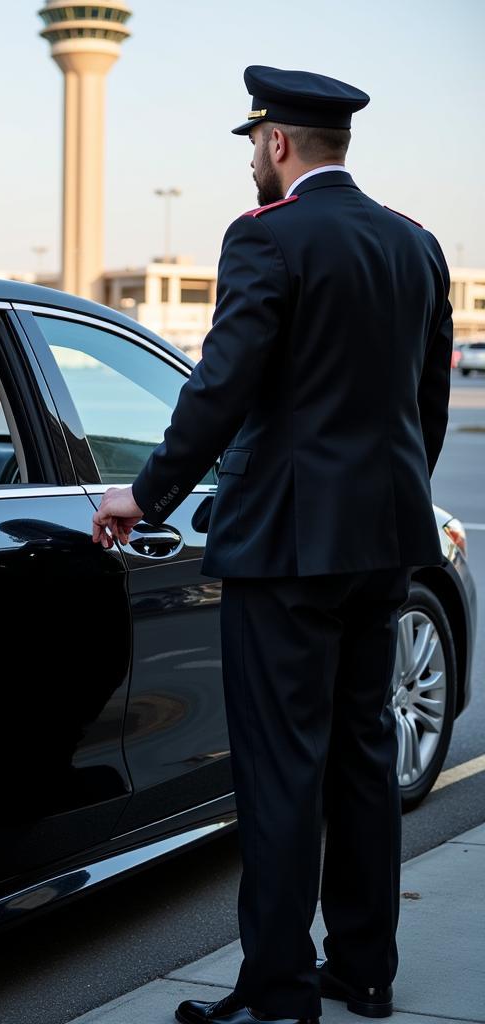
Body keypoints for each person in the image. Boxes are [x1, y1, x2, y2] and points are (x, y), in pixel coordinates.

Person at [92, 65, 452, 1024]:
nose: (252, 157)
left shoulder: (266, 239)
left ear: (279, 143)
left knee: (283, 769)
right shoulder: (416, 245)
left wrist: (149, 491)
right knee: (364, 757)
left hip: (285, 548)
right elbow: (428, 409)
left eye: (254, 141)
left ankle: (279, 992)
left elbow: (223, 382)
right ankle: (365, 972)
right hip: (383, 543)